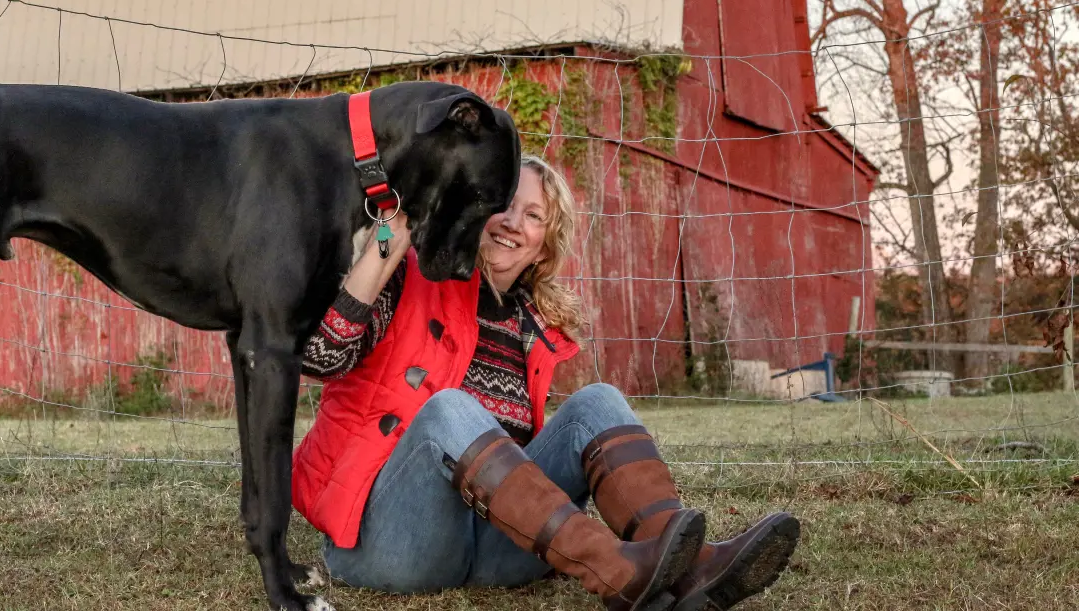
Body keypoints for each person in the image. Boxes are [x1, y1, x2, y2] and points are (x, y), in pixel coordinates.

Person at [292, 154, 799, 610]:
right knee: (449, 409)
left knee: (598, 401)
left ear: (542, 247)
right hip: (390, 545)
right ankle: (614, 566)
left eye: (533, 216)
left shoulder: (533, 327)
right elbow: (318, 357)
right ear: (478, 210)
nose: (513, 223)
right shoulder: (413, 277)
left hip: (493, 553)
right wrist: (388, 243)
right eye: (504, 205)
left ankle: (690, 566)